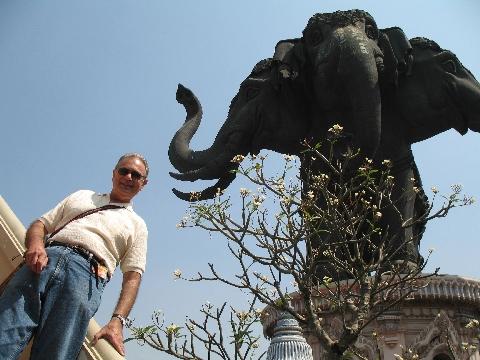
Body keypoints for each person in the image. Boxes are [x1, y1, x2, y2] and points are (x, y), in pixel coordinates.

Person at [0, 153, 149, 359]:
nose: (129, 177)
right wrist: (35, 245)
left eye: (136, 175)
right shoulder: (82, 195)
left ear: (144, 183)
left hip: (86, 274)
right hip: (43, 260)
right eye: (124, 171)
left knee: (56, 353)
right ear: (114, 174)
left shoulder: (138, 225)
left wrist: (117, 321)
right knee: (4, 332)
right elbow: (40, 224)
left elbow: (133, 276)